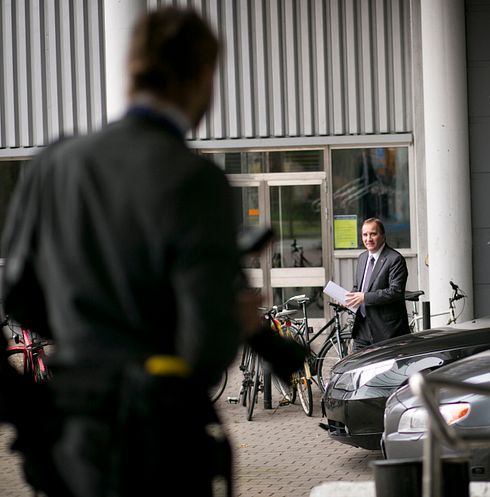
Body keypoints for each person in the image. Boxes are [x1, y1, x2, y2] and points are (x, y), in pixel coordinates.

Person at [0, 8, 299, 497]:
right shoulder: (196, 181)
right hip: (158, 450)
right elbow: (203, 352)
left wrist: (87, 333)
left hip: (69, 443)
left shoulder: (56, 163)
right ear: (204, 76)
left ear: (132, 69)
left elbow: (19, 296)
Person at [345, 218, 409, 351]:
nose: (368, 238)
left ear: (383, 235)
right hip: (362, 328)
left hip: (386, 331)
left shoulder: (395, 259)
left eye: (373, 234)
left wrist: (365, 297)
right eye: (365, 234)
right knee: (356, 368)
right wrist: (347, 298)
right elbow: (359, 287)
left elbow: (395, 292)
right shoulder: (362, 257)